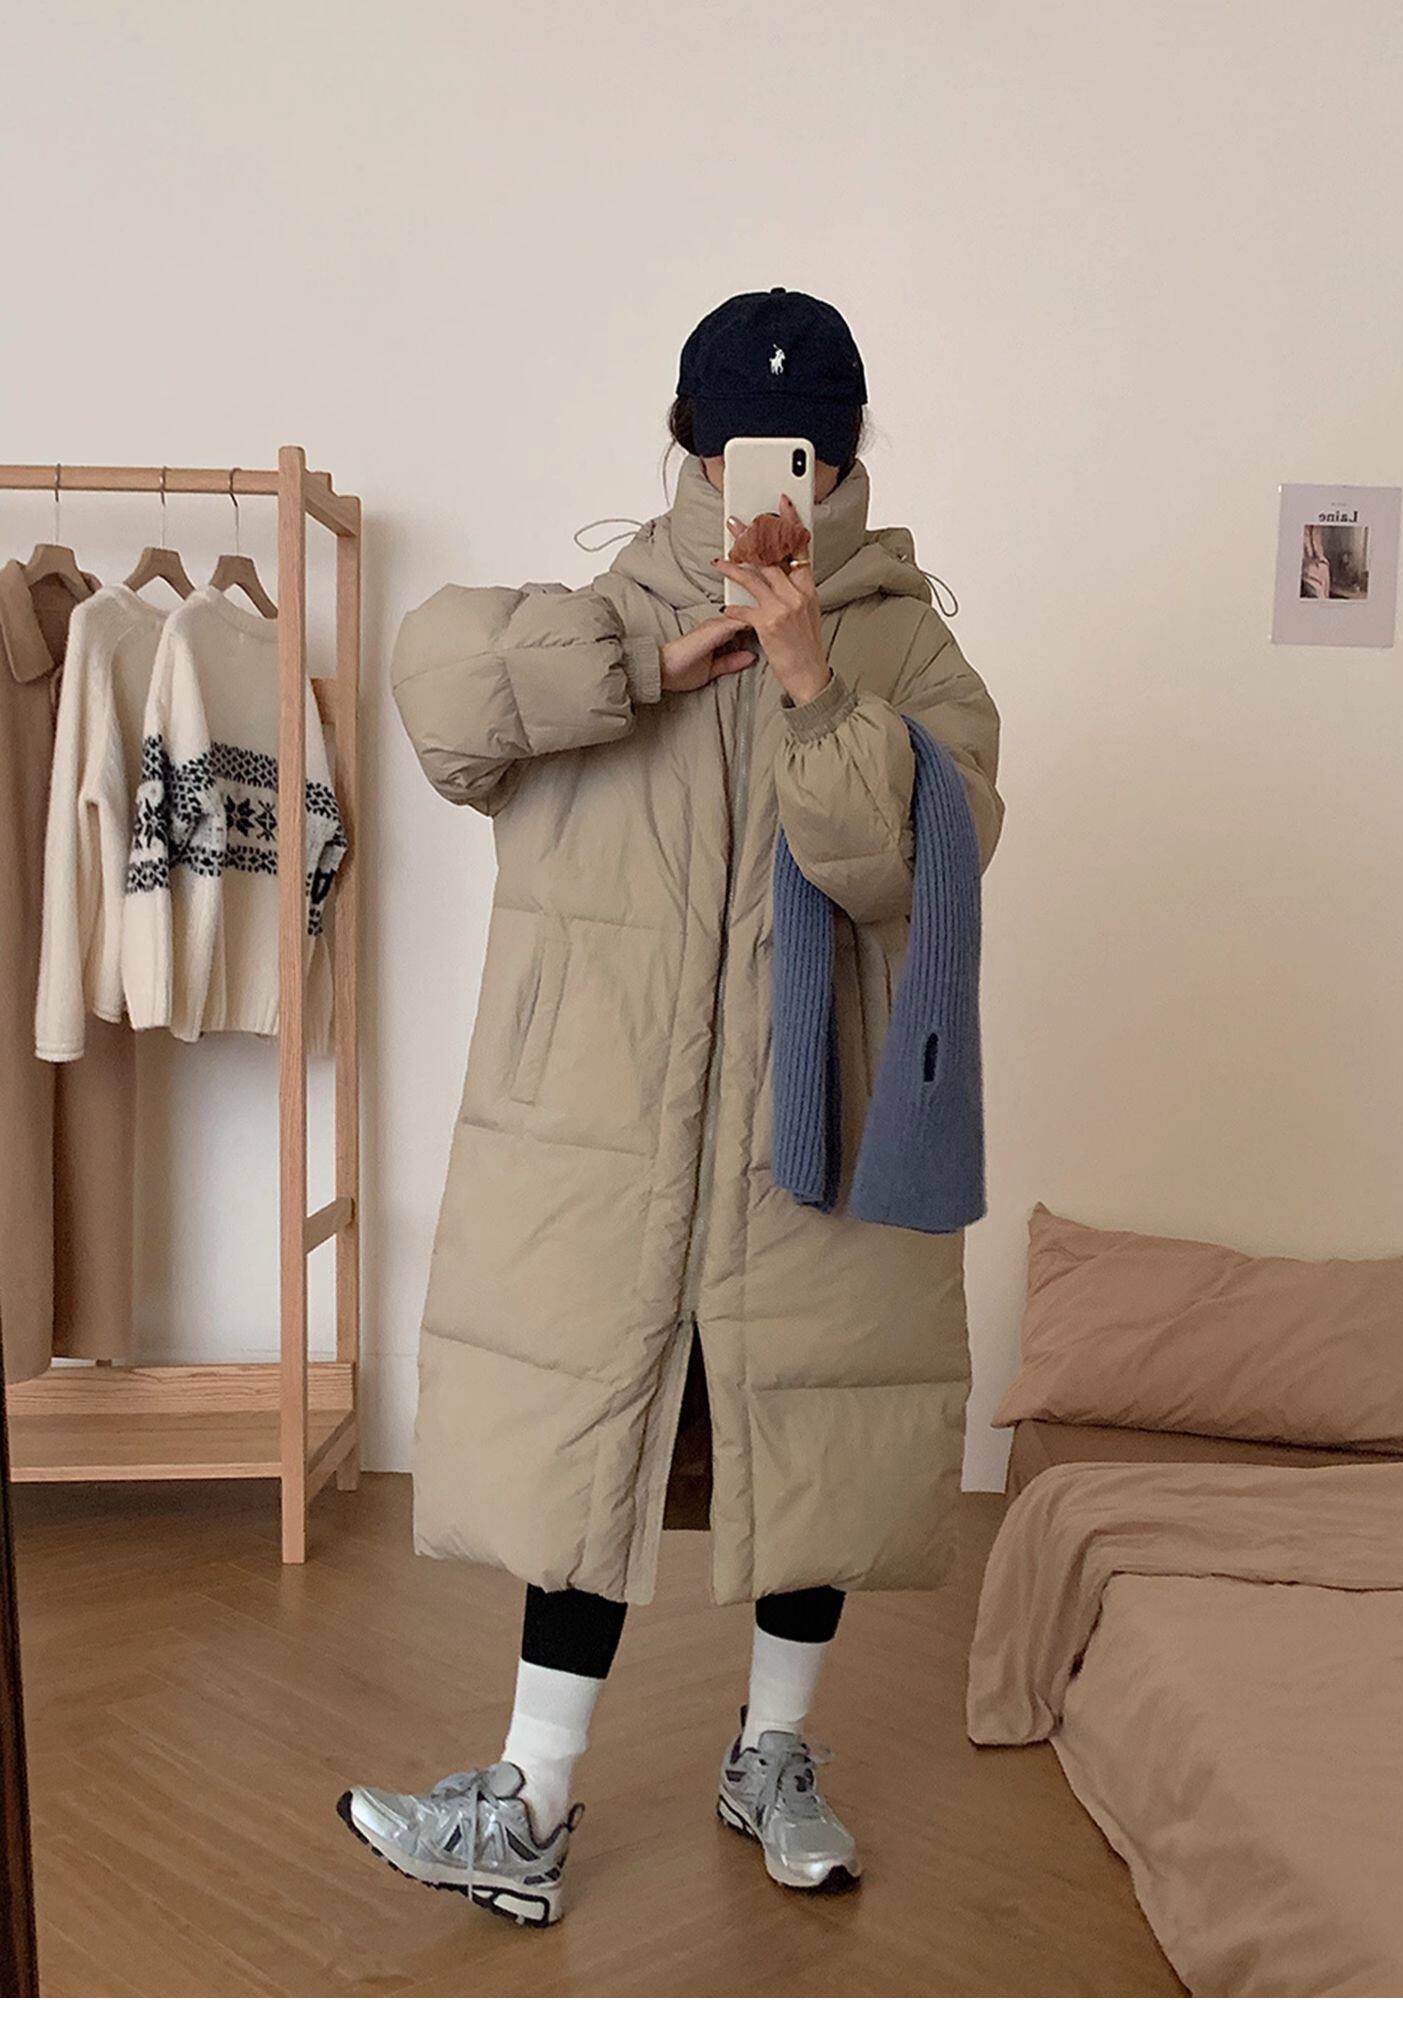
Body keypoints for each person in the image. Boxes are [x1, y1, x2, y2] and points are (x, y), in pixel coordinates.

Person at [340, 287, 1004, 1926]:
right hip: (609, 1132)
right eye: (734, 451)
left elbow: (909, 868)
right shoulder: (602, 612)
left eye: (801, 452)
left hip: (811, 1131)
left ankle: (773, 1751)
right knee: (594, 1443)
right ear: (689, 447)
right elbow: (434, 695)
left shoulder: (908, 646)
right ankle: (530, 1798)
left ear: (844, 456)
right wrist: (645, 661)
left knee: (814, 1433)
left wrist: (812, 683)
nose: (762, 483)